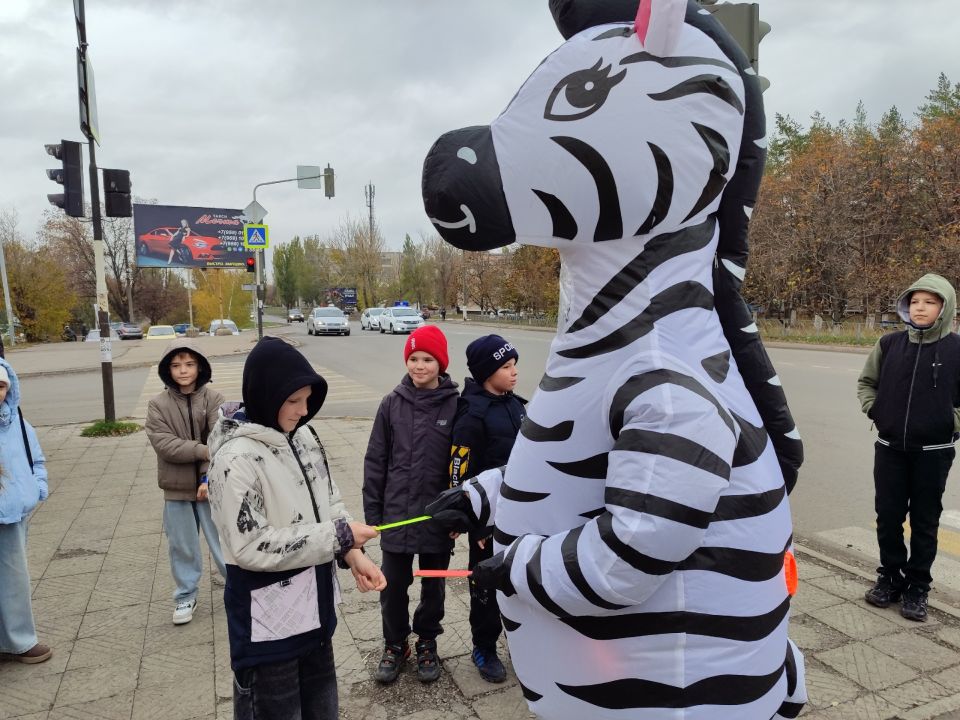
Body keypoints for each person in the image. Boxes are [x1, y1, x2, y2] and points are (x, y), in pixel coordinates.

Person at [207, 336, 385, 720]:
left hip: (315, 616)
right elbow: (251, 545)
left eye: (308, 399)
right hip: (268, 626)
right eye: (293, 401)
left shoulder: (302, 437)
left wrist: (352, 554)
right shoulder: (235, 459)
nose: (304, 411)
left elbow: (329, 501)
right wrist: (338, 538)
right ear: (265, 394)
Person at [858, 273, 960, 622]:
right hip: (889, 448)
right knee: (888, 517)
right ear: (906, 305)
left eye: (930, 302)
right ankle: (889, 577)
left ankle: (918, 586)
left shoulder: (956, 349)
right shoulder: (889, 344)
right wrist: (876, 410)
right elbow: (866, 382)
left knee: (924, 521)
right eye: (915, 301)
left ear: (944, 308)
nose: (920, 308)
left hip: (934, 453)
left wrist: (950, 421)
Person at [363, 325, 459, 684]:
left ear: (441, 362)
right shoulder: (391, 404)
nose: (419, 366)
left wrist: (459, 517)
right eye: (414, 358)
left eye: (428, 359)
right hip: (396, 518)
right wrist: (374, 516)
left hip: (437, 518)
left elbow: (462, 467)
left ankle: (427, 641)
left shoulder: (455, 405)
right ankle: (395, 643)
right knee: (392, 586)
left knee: (433, 586)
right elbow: (375, 461)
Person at [449, 334, 526, 682]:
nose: (514, 373)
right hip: (488, 526)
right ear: (485, 373)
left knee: (522, 583)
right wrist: (476, 527)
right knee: (486, 589)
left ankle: (523, 644)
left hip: (523, 517)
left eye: (514, 366)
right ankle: (484, 646)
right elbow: (460, 478)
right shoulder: (471, 415)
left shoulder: (516, 405)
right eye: (506, 367)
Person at [145, 340, 227, 625]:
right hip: (176, 489)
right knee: (182, 545)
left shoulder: (214, 399)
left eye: (189, 364)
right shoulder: (158, 405)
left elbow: (220, 439)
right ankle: (185, 595)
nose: (183, 370)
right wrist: (203, 450)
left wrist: (206, 475)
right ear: (168, 370)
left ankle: (238, 587)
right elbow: (164, 444)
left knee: (224, 541)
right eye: (177, 365)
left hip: (212, 486)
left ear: (200, 367)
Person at [0, 359, 52, 664]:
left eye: (1, 386)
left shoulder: (18, 423)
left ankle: (19, 640)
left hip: (13, 514)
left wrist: (37, 488)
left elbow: (37, 460)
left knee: (14, 579)